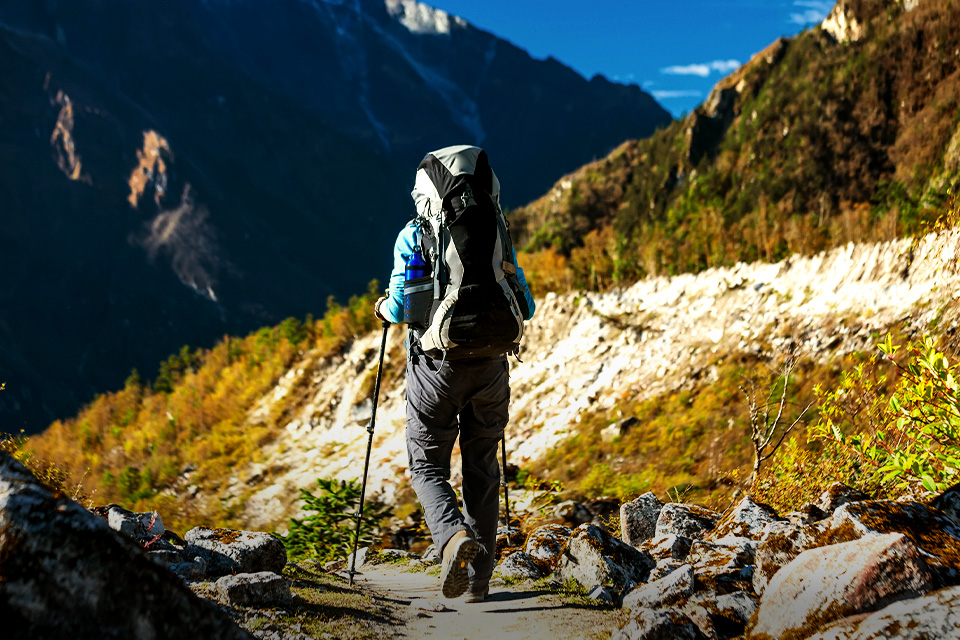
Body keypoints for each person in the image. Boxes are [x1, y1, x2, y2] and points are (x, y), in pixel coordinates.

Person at [373, 151, 536, 602]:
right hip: (492, 365)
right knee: (483, 465)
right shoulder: (497, 231)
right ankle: (479, 583)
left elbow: (404, 306)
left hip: (436, 366)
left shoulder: (414, 234)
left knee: (426, 463)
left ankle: (451, 539)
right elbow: (527, 306)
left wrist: (380, 309)